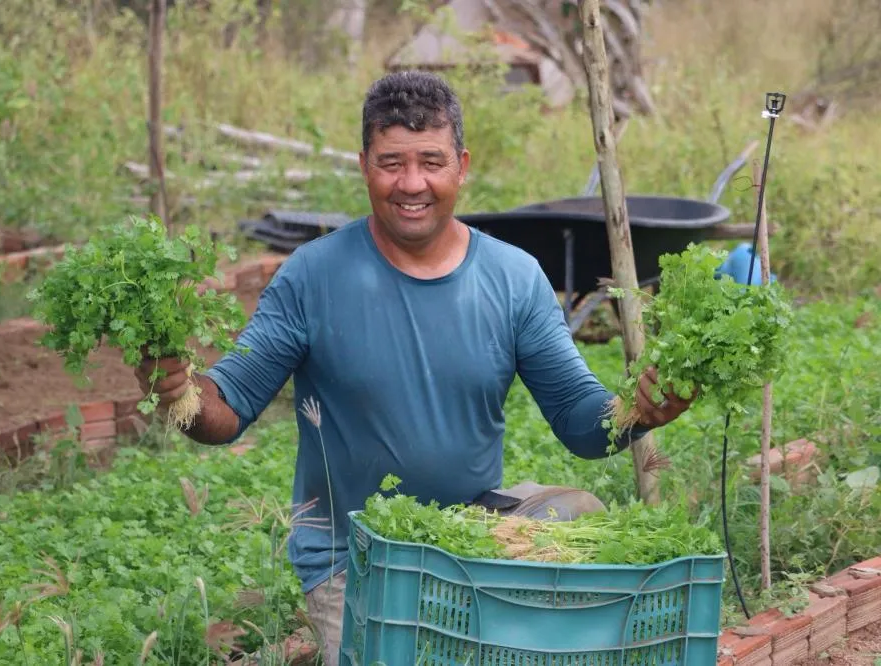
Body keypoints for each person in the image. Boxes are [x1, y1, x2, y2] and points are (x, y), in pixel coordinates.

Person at [134, 70, 694, 666]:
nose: (412, 183)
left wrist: (637, 410)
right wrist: (181, 395)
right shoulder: (313, 276)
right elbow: (229, 408)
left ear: (461, 165)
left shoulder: (513, 278)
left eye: (431, 161)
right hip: (357, 555)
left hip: (471, 532)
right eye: (391, 162)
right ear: (363, 165)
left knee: (577, 514)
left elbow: (580, 420)